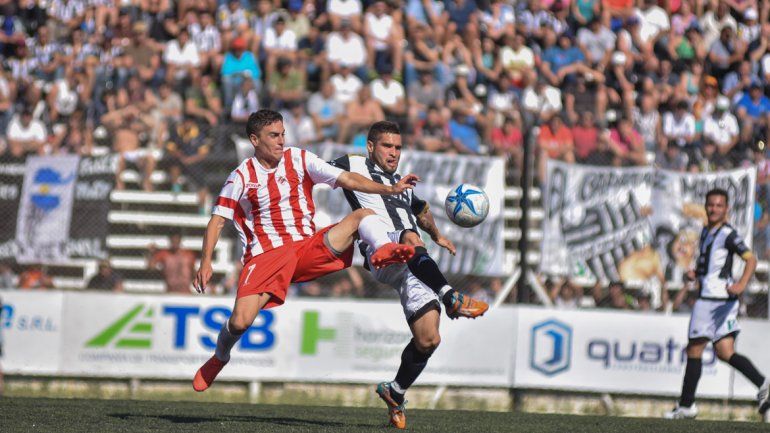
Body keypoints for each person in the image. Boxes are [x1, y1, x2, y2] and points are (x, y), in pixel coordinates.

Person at [191, 110, 419, 393]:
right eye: (273, 136)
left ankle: (382, 250)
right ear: (254, 139)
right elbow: (217, 220)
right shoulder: (241, 175)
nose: (281, 141)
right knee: (239, 321)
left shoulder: (299, 159)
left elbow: (346, 178)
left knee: (362, 214)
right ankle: (220, 357)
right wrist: (205, 263)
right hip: (266, 257)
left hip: (306, 247)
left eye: (283, 134)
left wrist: (389, 188)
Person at [329, 121, 489, 429]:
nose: (393, 152)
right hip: (382, 249)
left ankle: (395, 391)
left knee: (429, 339)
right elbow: (312, 168)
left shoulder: (400, 184)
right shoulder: (352, 164)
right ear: (371, 146)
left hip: (412, 266)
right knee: (410, 238)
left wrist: (439, 235)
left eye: (398, 147)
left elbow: (421, 209)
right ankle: (451, 296)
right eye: (387, 146)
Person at [665, 189, 770, 419]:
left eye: (719, 205)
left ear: (726, 209)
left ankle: (686, 405)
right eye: (710, 205)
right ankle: (764, 385)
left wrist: (742, 284)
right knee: (725, 351)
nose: (714, 209)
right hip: (720, 300)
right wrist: (696, 273)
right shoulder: (707, 232)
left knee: (694, 348)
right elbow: (711, 265)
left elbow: (751, 259)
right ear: (705, 206)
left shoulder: (728, 234)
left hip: (713, 300)